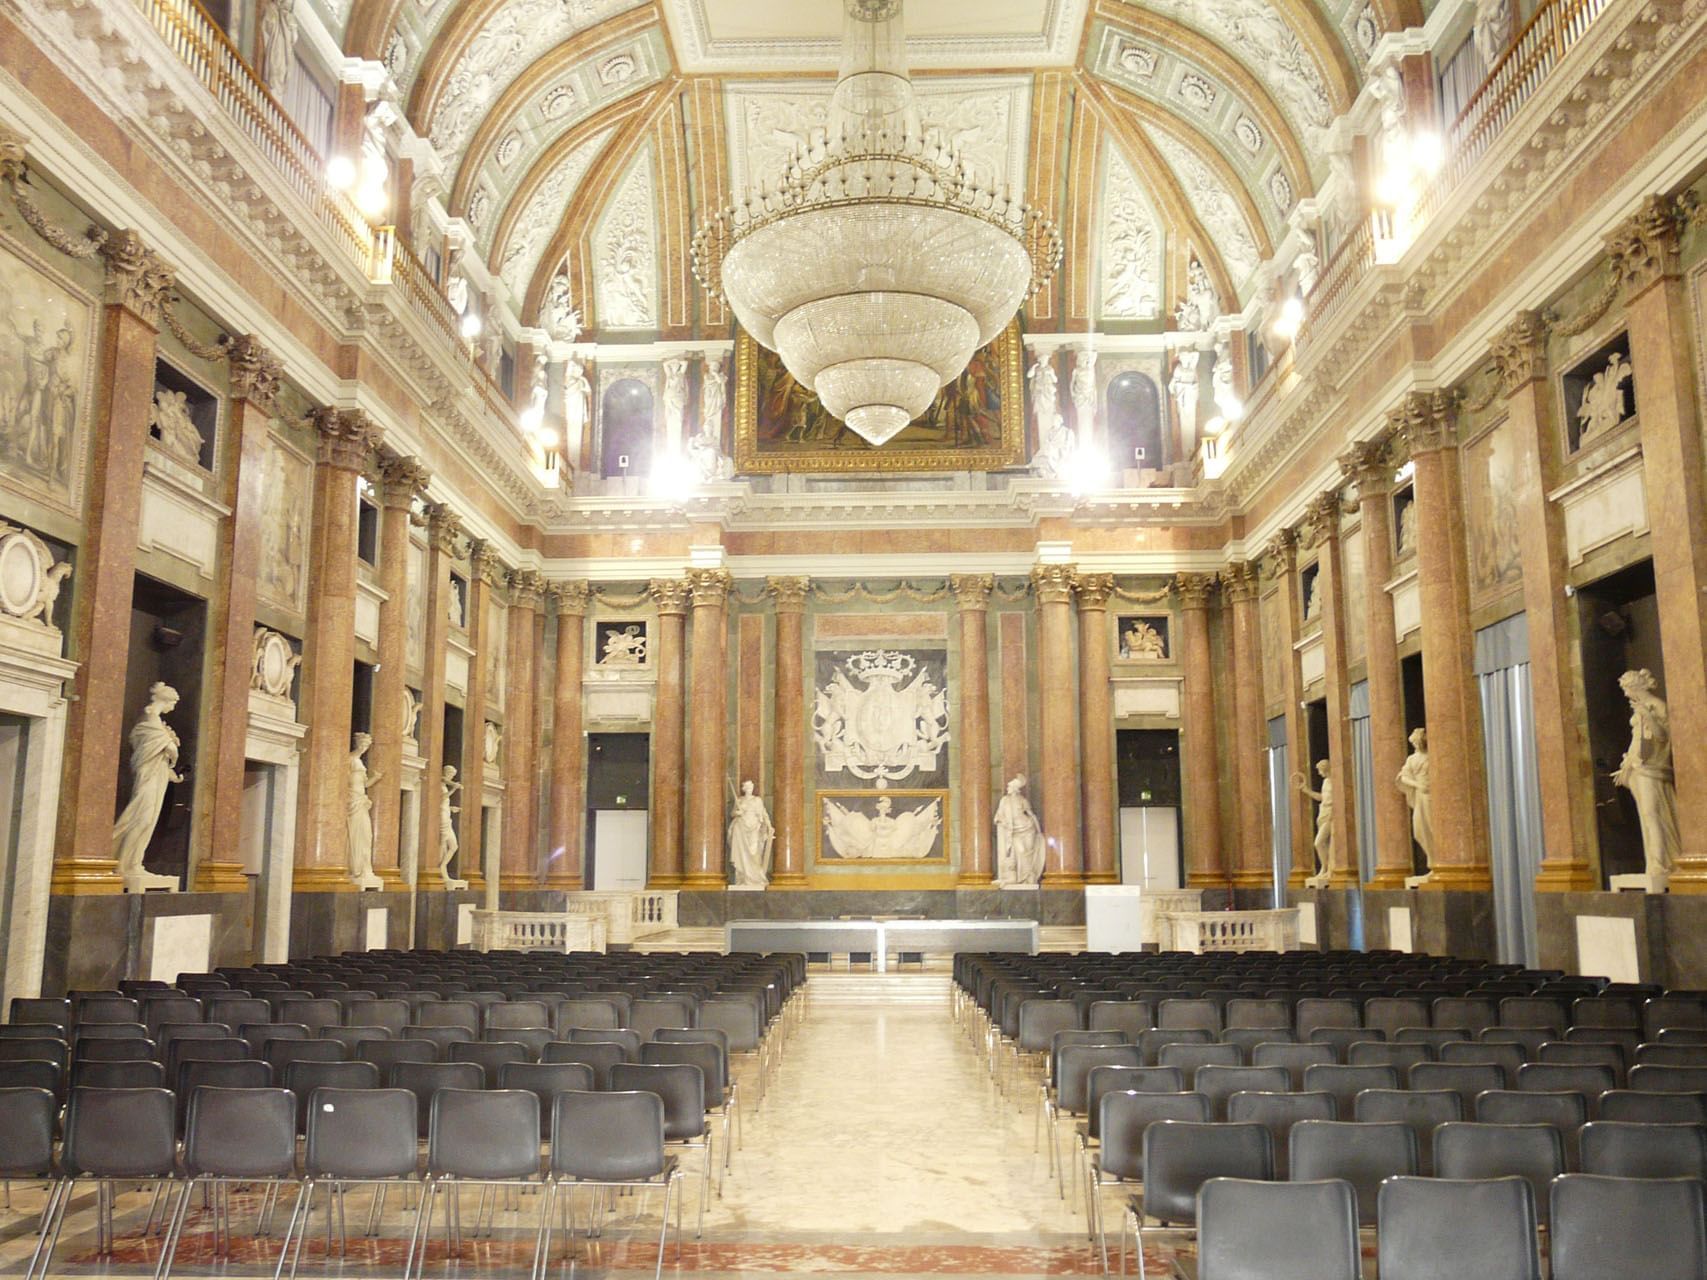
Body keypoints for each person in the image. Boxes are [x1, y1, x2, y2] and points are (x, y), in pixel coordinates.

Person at [113, 682, 184, 892]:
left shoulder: (157, 722)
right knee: (141, 817)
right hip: (147, 776)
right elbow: (159, 748)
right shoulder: (150, 719)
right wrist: (170, 746)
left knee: (149, 819)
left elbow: (162, 753)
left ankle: (134, 862)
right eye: (173, 703)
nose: (173, 708)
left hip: (158, 775)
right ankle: (124, 863)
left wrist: (172, 774)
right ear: (166, 700)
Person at [1614, 669, 1679, 889]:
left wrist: (1648, 715)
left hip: (1653, 768)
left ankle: (1660, 865)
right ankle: (1654, 863)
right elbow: (1637, 740)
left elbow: (1663, 736)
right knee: (1645, 815)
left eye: (1627, 689)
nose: (1625, 694)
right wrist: (1627, 765)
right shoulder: (1639, 709)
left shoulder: (1657, 706)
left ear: (1638, 686)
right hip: (1638, 768)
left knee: (1653, 814)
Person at [994, 776, 1045, 885]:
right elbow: (998, 816)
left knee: (1028, 854)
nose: (1007, 787)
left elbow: (1031, 815)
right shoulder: (1004, 800)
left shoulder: (1022, 800)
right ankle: (1016, 878)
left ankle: (1028, 878)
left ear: (1014, 788)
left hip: (1028, 828)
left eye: (1009, 786)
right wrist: (1002, 823)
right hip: (1014, 831)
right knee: (1020, 851)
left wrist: (1039, 831)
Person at [1294, 760, 1334, 888]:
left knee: (1319, 842)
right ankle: (1326, 869)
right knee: (1324, 843)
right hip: (1323, 813)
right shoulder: (1326, 781)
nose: (1318, 772)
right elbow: (1322, 798)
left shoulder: (1334, 781)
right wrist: (1306, 790)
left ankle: (1326, 868)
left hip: (1330, 814)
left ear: (1325, 768)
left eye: (1319, 769)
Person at [727, 780, 774, 887]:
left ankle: (755, 878)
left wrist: (769, 826)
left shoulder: (757, 800)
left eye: (751, 786)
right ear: (744, 789)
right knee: (741, 853)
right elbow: (733, 813)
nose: (750, 788)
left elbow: (764, 813)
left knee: (754, 852)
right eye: (747, 786)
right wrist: (737, 813)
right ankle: (742, 878)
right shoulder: (739, 800)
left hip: (754, 827)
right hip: (740, 828)